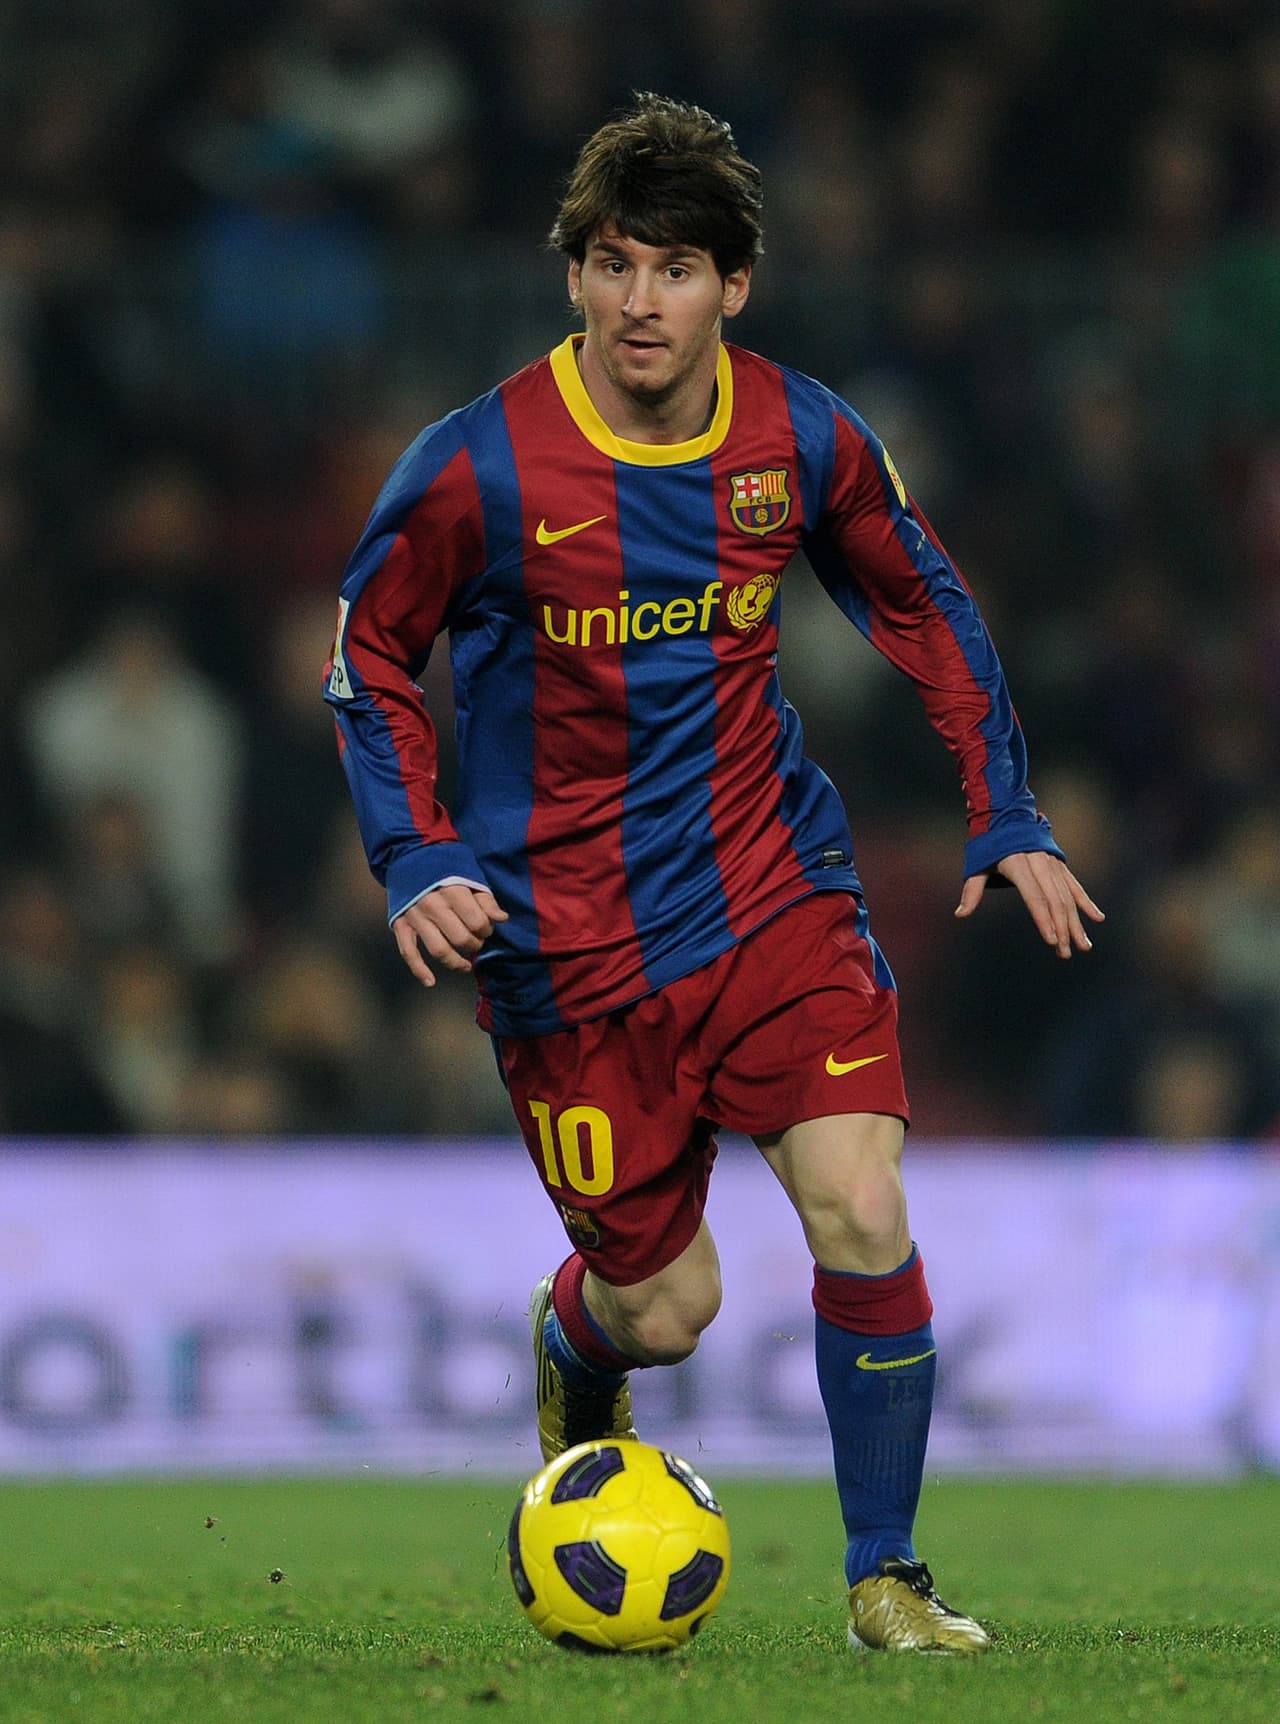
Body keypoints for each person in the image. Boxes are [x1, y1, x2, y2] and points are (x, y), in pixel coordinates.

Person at [324, 93, 1103, 1654]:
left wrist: (1003, 807)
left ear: (733, 286)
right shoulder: (478, 466)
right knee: (666, 1313)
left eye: (674, 269)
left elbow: (924, 602)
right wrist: (415, 850)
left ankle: (886, 1580)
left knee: (861, 1203)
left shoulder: (803, 435)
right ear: (574, 278)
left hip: (768, 889)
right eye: (611, 264)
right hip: (565, 946)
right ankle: (575, 1343)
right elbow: (370, 650)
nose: (639, 302)